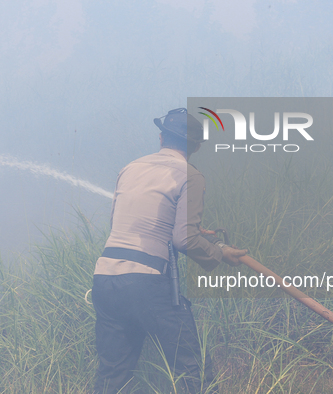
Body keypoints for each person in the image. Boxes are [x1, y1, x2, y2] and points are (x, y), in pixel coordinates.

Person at [92, 108, 247, 393]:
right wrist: (219, 253)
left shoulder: (130, 168)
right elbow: (184, 239)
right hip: (146, 283)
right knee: (191, 369)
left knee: (113, 375)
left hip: (105, 280)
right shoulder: (191, 175)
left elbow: (126, 223)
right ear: (196, 146)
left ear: (162, 137)